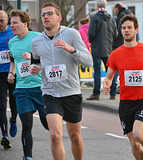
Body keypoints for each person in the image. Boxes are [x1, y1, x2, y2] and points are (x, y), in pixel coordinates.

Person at [30, 2, 92, 160]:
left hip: (71, 92)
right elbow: (35, 63)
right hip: (50, 93)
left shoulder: (72, 34)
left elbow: (88, 61)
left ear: (59, 17)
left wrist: (72, 50)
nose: (45, 17)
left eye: (49, 13)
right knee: (55, 136)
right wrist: (34, 69)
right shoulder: (36, 42)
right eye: (43, 14)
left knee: (75, 137)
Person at [103, 14, 143, 160]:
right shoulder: (116, 54)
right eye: (123, 28)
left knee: (138, 133)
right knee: (134, 144)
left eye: (129, 28)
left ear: (136, 30)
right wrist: (106, 84)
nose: (126, 30)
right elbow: (109, 76)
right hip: (125, 102)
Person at [7, 10, 49, 160]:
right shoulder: (11, 42)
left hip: (41, 88)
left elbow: (50, 58)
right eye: (10, 23)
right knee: (26, 124)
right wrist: (12, 74)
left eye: (15, 22)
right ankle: (28, 157)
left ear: (25, 24)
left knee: (48, 125)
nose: (11, 25)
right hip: (22, 89)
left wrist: (32, 58)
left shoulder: (38, 38)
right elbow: (13, 62)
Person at [87, 0, 118, 100]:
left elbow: (91, 34)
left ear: (97, 5)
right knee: (111, 72)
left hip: (97, 48)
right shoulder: (111, 18)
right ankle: (112, 94)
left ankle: (96, 93)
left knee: (97, 72)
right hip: (108, 48)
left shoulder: (95, 18)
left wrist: (93, 41)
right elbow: (116, 34)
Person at [0, 10, 17, 150]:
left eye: (1, 21)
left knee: (14, 101)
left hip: (13, 71)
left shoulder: (13, 32)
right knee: (1, 104)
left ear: (7, 20)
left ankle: (13, 119)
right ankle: (4, 134)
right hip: (0, 74)